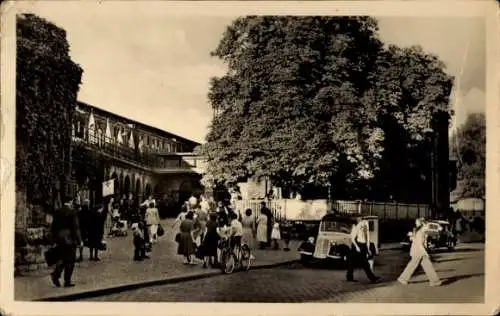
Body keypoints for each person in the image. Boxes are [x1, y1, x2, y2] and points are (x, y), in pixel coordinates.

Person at [398, 218, 442, 287]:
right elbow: (420, 244)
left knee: (422, 266)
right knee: (423, 266)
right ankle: (434, 281)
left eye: (416, 222)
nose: (428, 227)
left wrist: (412, 236)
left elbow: (414, 238)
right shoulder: (421, 232)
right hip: (419, 251)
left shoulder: (419, 230)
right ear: (423, 224)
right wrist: (425, 253)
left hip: (417, 251)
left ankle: (403, 278)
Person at [50, 197, 82, 288]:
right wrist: (79, 240)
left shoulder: (57, 211)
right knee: (70, 260)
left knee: (62, 258)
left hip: (60, 238)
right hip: (69, 239)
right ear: (71, 201)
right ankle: (67, 280)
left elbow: (54, 227)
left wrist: (54, 239)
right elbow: (76, 228)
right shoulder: (72, 212)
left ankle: (56, 274)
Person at [346, 217, 380, 283]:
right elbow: (352, 239)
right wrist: (357, 247)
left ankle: (349, 277)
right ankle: (372, 278)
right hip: (357, 245)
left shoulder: (365, 226)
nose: (364, 223)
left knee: (358, 262)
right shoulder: (356, 227)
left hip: (363, 245)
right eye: (363, 221)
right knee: (359, 262)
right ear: (359, 221)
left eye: (365, 222)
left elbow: (367, 238)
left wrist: (368, 248)